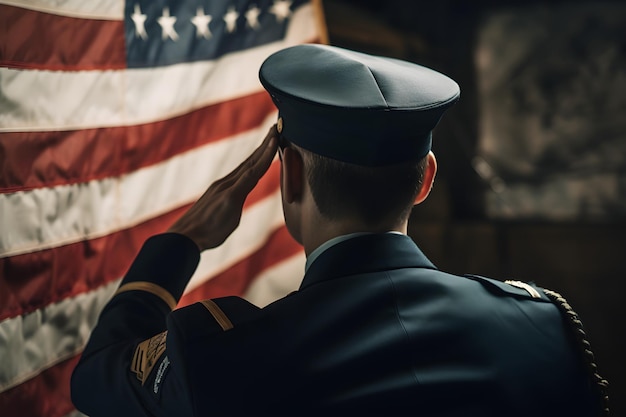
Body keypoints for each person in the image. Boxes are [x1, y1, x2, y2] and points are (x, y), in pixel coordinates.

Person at [71, 44, 607, 416]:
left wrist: (181, 242)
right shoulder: (543, 327)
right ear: (426, 181)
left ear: (292, 176)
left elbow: (96, 378)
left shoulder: (222, 358)